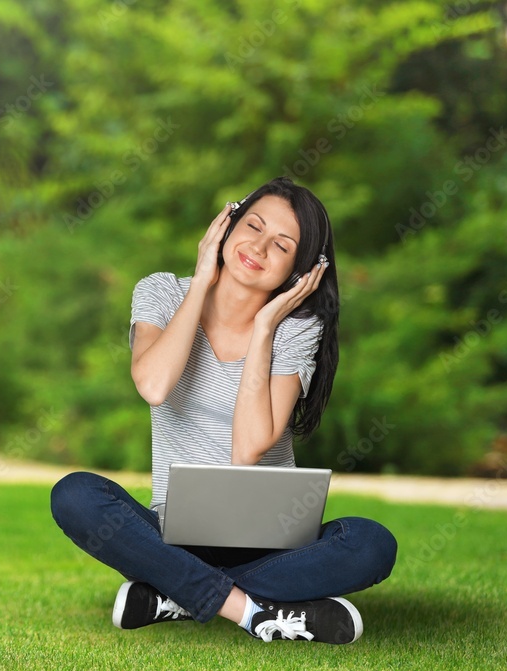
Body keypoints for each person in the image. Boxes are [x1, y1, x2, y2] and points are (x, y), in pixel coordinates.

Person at [50, 176, 397, 644]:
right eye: (252, 225)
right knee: (75, 495)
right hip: (175, 530)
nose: (259, 246)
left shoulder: (296, 329)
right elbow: (153, 385)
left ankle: (173, 593)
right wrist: (202, 278)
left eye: (282, 244)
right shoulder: (162, 292)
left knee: (371, 545)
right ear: (226, 226)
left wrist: (263, 329)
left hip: (271, 542)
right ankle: (254, 611)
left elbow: (248, 449)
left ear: (298, 271)